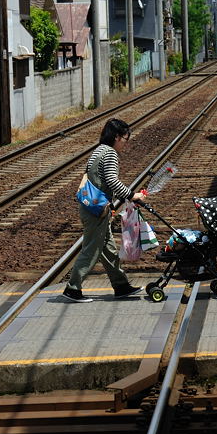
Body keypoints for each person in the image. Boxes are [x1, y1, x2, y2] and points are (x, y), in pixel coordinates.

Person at [63, 118, 145, 303]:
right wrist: (132, 195)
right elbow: (112, 181)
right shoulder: (109, 153)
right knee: (91, 249)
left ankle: (121, 285)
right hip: (95, 211)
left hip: (94, 208)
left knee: (108, 249)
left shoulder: (99, 150)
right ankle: (73, 288)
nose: (126, 143)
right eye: (125, 139)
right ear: (116, 137)